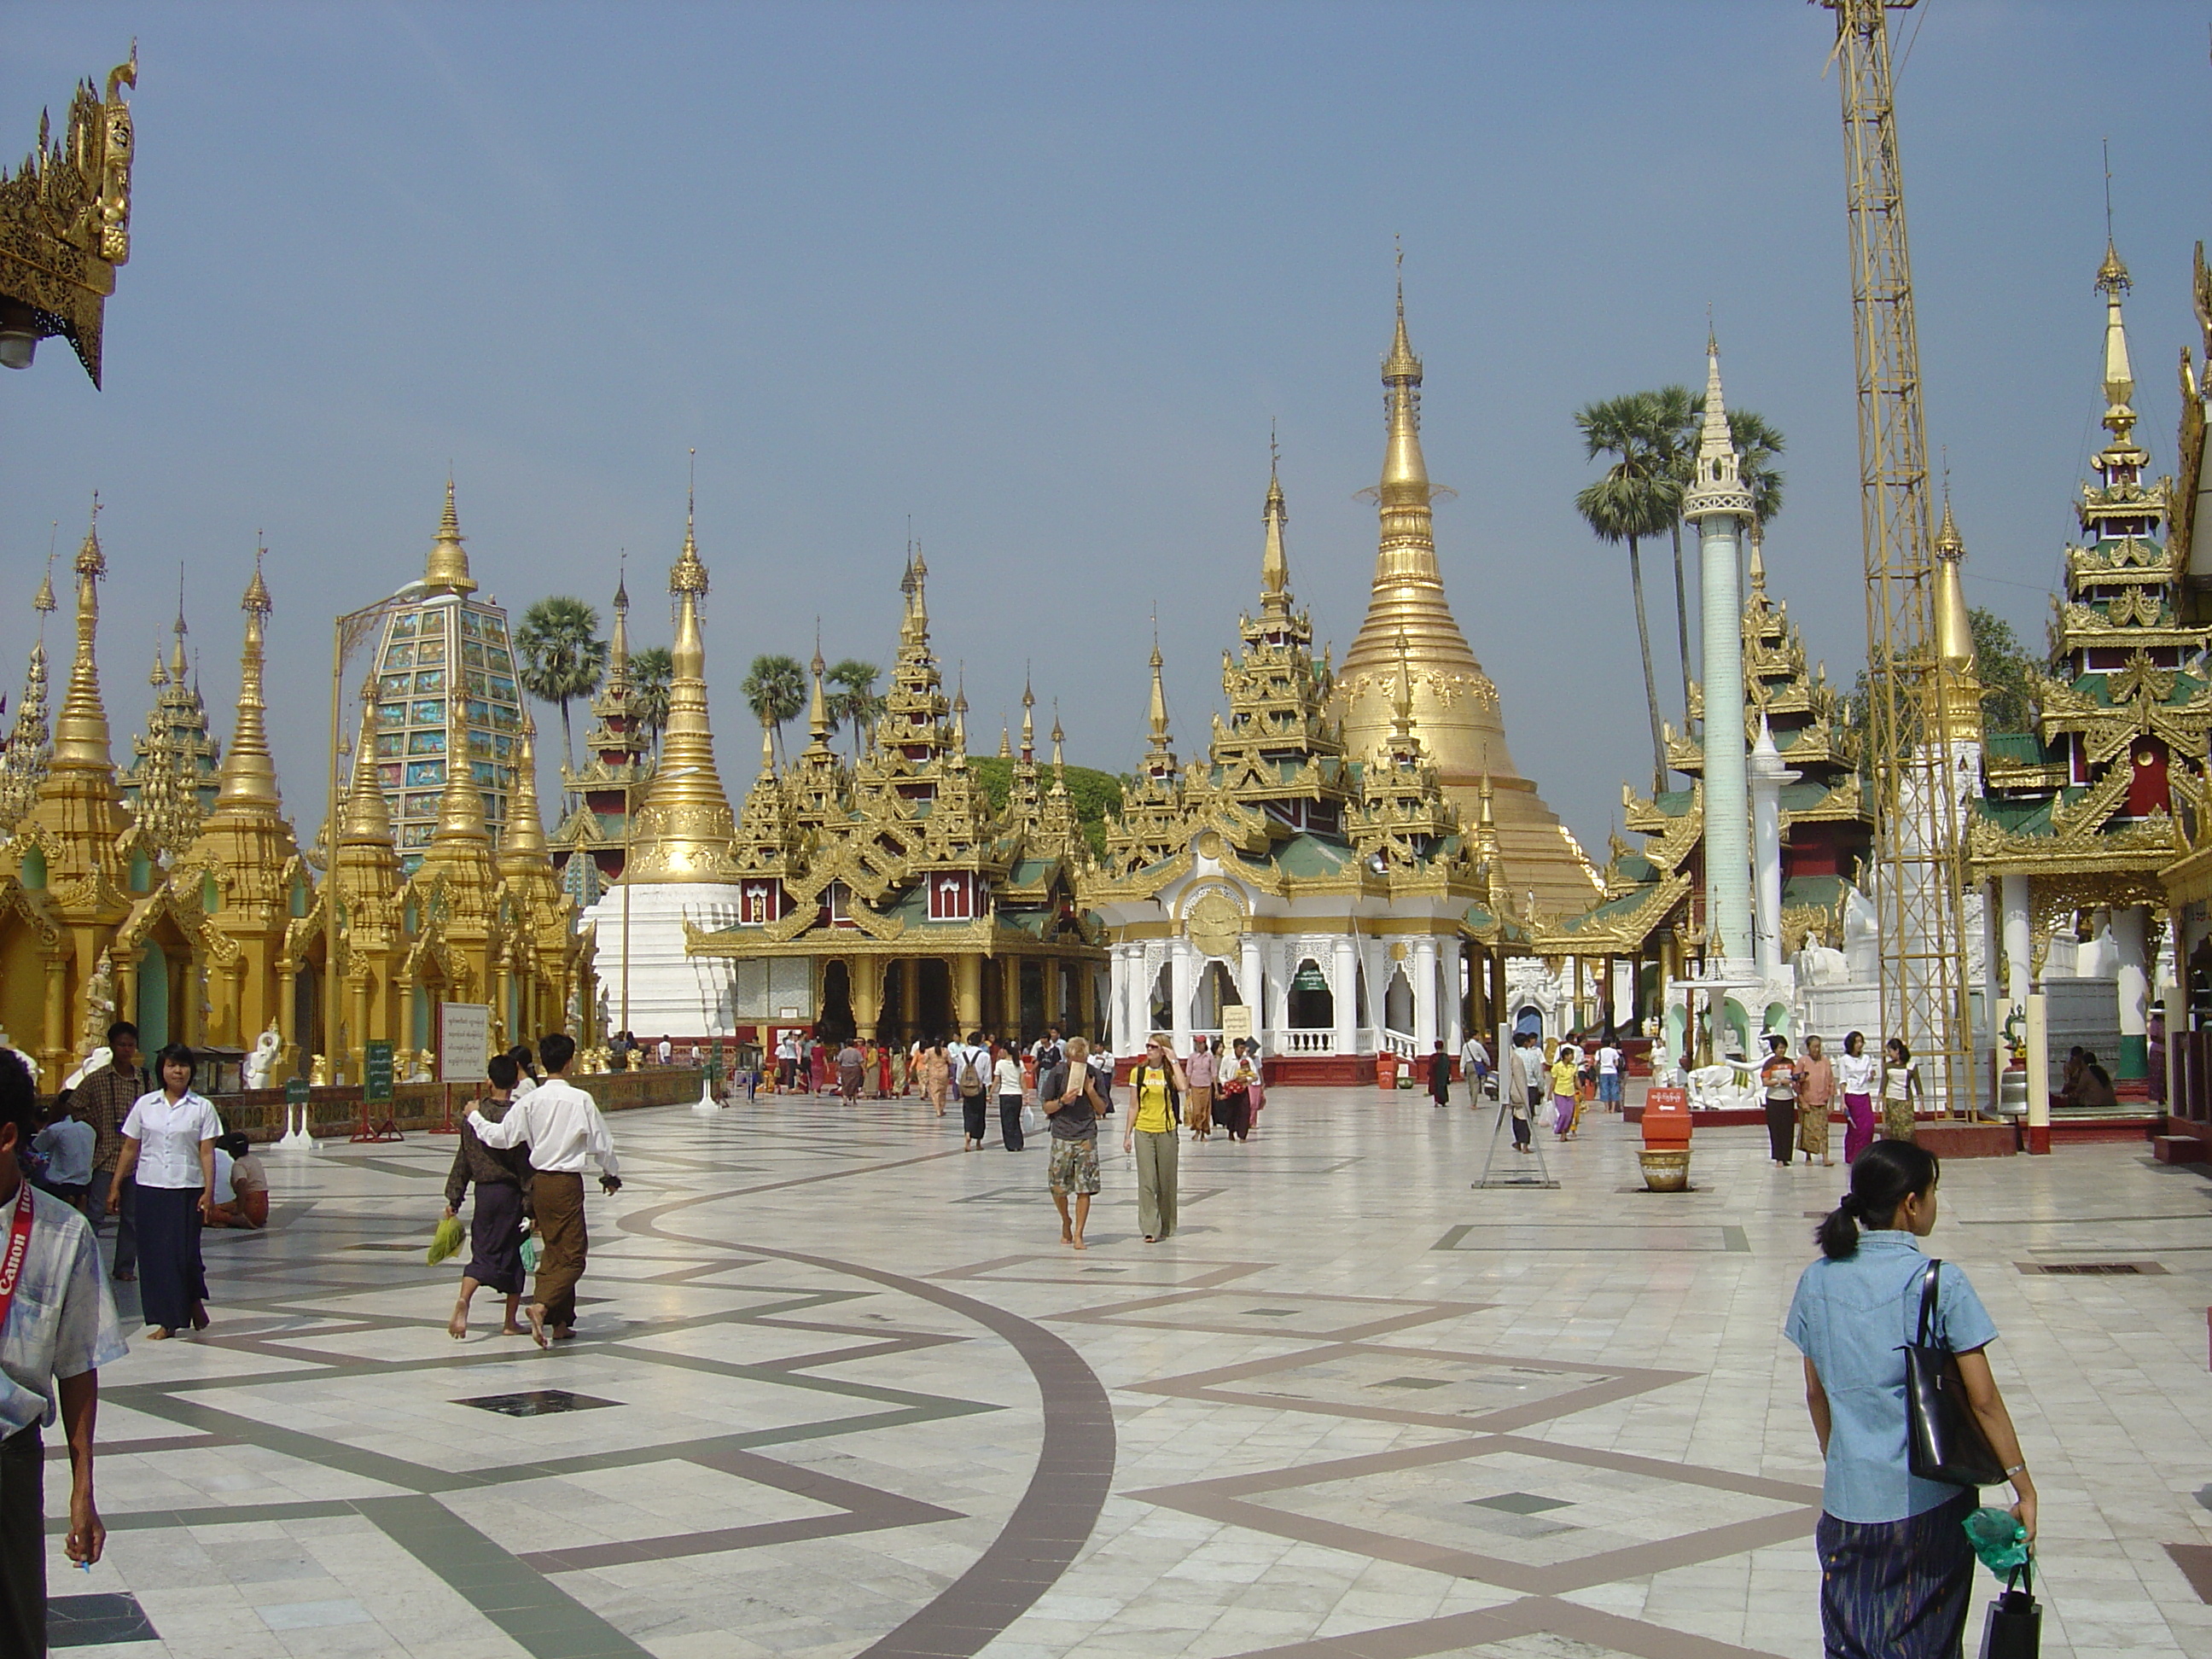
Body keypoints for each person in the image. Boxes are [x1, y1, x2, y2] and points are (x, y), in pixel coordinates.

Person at [1787, 1140, 2037, 1657]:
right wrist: (2022, 1486)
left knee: (1850, 1641)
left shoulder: (1816, 1281)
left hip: (1846, 1504)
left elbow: (1816, 1392)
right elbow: (1983, 1399)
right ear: (1912, 1203)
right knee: (1925, 1641)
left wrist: (1847, 1461)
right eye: (1933, 1190)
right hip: (1928, 1506)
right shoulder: (1939, 1283)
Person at [0, 1046, 126, 1657]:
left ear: (6, 1137)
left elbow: (78, 1366)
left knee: (17, 1629)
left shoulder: (60, 1233)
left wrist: (83, 1490)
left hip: (8, 1462)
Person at [465, 1034, 620, 1349]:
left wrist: (474, 1117)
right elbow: (603, 1144)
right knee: (574, 1256)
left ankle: (561, 1323)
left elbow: (501, 1137)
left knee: (554, 1250)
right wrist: (611, 1174)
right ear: (569, 1062)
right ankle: (541, 1306)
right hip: (565, 1184)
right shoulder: (579, 1100)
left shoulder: (530, 1101)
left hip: (539, 1184)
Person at [109, 1045, 219, 1341]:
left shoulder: (202, 1108)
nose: (178, 1071)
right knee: (156, 1256)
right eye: (172, 1065)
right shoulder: (145, 1105)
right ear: (162, 1070)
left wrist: (209, 1191)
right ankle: (167, 1320)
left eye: (183, 1066)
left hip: (186, 1187)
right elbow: (130, 1147)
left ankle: (193, 1300)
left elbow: (207, 1152)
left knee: (184, 1255)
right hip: (151, 1186)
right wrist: (115, 1184)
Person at [443, 1054, 532, 1339]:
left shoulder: (473, 1115)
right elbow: (525, 1165)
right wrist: (531, 1207)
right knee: (514, 1254)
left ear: (488, 1081)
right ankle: (509, 1321)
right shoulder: (517, 1115)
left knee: (483, 1250)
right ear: (516, 1081)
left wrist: (454, 1198)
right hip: (510, 1194)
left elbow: (463, 1159)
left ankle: (464, 1299)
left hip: (484, 1193)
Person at [77, 1022, 148, 1284]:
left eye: (130, 1045)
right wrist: (93, 1122)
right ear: (112, 1046)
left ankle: (125, 1266)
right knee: (96, 1212)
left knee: (131, 1217)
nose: (126, 1050)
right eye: (121, 1044)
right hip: (107, 1153)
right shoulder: (97, 1079)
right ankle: (86, 1264)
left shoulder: (144, 1079)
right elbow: (73, 1104)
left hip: (136, 1158)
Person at [1042, 1036, 1105, 1250]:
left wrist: (1090, 1090)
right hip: (1062, 1134)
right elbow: (1046, 1107)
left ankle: (1079, 1233)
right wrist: (1062, 1101)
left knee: (1084, 1187)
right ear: (1067, 1057)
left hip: (1086, 1135)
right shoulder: (1057, 1074)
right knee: (1058, 1187)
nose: (1078, 1063)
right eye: (1075, 1059)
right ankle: (1066, 1220)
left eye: (1083, 1059)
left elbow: (1102, 1108)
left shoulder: (1094, 1074)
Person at [1124, 1034, 1186, 1243]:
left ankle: (1167, 1225)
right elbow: (1133, 1105)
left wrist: (1174, 1059)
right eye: (1147, 1046)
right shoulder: (1138, 1072)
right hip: (1144, 1130)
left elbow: (1183, 1087)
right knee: (1147, 1181)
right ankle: (1150, 1227)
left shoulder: (1168, 1072)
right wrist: (1127, 1134)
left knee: (1167, 1181)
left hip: (1167, 1130)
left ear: (1163, 1050)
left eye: (1154, 1047)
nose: (1149, 1050)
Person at [33, 1094, 95, 1214]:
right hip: (85, 1181)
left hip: (60, 1180)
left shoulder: (56, 1129)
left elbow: (38, 1146)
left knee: (37, 1175)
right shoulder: (90, 1128)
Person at [205, 1132, 269, 1231]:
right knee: (222, 1207)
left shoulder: (239, 1164)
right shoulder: (254, 1159)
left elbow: (242, 1183)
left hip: (250, 1209)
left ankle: (236, 1220)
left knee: (209, 1213)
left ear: (230, 1150)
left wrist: (239, 1210)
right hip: (263, 1210)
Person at [1837, 1031, 1878, 1164]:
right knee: (1856, 1127)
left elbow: (1868, 1078)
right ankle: (1852, 1156)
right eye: (1857, 1042)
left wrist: (1871, 1076)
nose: (1859, 1045)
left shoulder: (1866, 1058)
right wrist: (1843, 1101)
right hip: (1851, 1094)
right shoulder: (1844, 1060)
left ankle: (1865, 1154)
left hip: (1864, 1094)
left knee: (1868, 1126)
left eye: (1861, 1042)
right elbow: (1843, 1080)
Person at [1796, 1035, 1836, 1168]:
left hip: (1822, 1100)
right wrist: (1802, 1101)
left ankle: (1825, 1156)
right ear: (1808, 1048)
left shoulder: (1825, 1061)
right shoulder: (1803, 1061)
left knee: (1823, 1129)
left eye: (1819, 1046)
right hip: (1808, 1100)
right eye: (1814, 1047)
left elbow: (1830, 1081)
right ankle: (1809, 1156)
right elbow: (1796, 1084)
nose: (1817, 1049)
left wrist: (1831, 1102)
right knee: (1809, 1130)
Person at [1761, 1034, 1799, 1166]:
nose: (1782, 1051)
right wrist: (1779, 1082)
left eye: (1784, 1048)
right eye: (1780, 1048)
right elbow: (1765, 1082)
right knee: (1776, 1128)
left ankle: (1786, 1156)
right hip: (1774, 1098)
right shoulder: (1769, 1063)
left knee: (1788, 1128)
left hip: (1788, 1098)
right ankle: (1778, 1157)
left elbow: (1794, 1078)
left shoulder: (1789, 1063)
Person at [953, 1032, 993, 1148]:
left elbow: (959, 1075)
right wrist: (988, 1092)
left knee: (968, 1112)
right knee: (980, 1113)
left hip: (966, 1088)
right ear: (981, 1041)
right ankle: (978, 1141)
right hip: (979, 1088)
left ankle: (967, 1133)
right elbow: (987, 1077)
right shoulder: (984, 1056)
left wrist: (960, 1087)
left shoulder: (962, 1055)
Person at [1215, 1039, 1254, 1141]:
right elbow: (1222, 1074)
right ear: (1235, 1048)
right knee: (1231, 1111)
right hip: (1231, 1089)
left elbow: (1255, 1075)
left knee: (1244, 1111)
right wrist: (1227, 1085)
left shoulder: (1248, 1060)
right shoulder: (1227, 1059)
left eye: (1243, 1048)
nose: (1242, 1051)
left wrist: (1246, 1079)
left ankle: (1242, 1135)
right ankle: (1231, 1131)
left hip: (1243, 1088)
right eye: (1240, 1048)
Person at [1881, 1039, 1919, 1141]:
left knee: (1907, 1127)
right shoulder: (1888, 1066)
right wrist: (1880, 1101)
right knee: (1894, 1126)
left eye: (1890, 1051)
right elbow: (1884, 1084)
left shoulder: (1911, 1066)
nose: (1889, 1054)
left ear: (1897, 1050)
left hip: (1906, 1099)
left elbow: (1917, 1084)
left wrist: (1921, 1102)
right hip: (1892, 1099)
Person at [1505, 1033, 1538, 1153]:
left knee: (1516, 1116)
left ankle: (1519, 1140)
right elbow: (1537, 1072)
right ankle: (1525, 1143)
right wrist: (1541, 1087)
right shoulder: (1532, 1055)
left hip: (1515, 1089)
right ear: (1526, 1042)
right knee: (1527, 1115)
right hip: (1529, 1087)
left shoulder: (1511, 1056)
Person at [993, 1043, 1026, 1151]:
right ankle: (1018, 1143)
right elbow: (1022, 1081)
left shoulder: (1000, 1064)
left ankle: (1010, 1144)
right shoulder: (1019, 1063)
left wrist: (990, 1093)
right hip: (1017, 1095)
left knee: (1007, 1120)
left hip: (1005, 1094)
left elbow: (997, 1080)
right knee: (1015, 1119)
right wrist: (1026, 1095)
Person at [1183, 1038, 1216, 1140]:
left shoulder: (1209, 1057)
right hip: (1195, 1085)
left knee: (1205, 1110)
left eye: (1200, 1043)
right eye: (1197, 1044)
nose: (1199, 1046)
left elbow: (1214, 1073)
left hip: (1206, 1085)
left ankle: (1203, 1133)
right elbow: (1188, 1072)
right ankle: (1197, 1129)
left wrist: (1216, 1089)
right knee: (1197, 1110)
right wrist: (1187, 1087)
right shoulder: (1192, 1057)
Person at [1549, 1040, 1580, 1138]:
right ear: (1565, 1056)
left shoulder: (1573, 1067)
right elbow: (1553, 1080)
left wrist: (1581, 1091)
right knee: (1563, 1113)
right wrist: (1550, 1093)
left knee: (1570, 1114)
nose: (1572, 1057)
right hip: (1559, 1092)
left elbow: (1576, 1080)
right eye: (1570, 1055)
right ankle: (1559, 1129)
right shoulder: (1557, 1067)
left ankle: (1564, 1133)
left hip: (1570, 1092)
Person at [1461, 1032, 1493, 1107]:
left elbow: (1463, 1057)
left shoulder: (1465, 1046)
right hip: (1476, 1065)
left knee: (1470, 1084)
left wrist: (1461, 1069)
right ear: (1474, 1036)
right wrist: (1488, 1063)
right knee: (1476, 1084)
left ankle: (1472, 1099)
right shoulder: (1478, 1045)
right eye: (1478, 1035)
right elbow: (1484, 1055)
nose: (1479, 1037)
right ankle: (1473, 1104)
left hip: (1468, 1065)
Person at [1594, 1036, 1624, 1112]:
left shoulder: (1599, 1051)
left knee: (1604, 1089)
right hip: (1613, 1071)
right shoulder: (1613, 1051)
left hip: (1603, 1072)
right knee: (1614, 1089)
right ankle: (1613, 1108)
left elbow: (1595, 1063)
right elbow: (1617, 1063)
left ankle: (1607, 1108)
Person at [836, 1039, 866, 1103]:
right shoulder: (857, 1052)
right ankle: (854, 1100)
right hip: (855, 1069)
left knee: (845, 1084)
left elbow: (839, 1061)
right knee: (854, 1084)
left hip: (845, 1069)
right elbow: (861, 1062)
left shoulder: (843, 1052)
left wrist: (838, 1070)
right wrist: (864, 1070)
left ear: (846, 1044)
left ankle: (845, 1100)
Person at [1428, 1040, 1452, 1108]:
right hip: (1443, 1075)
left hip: (1435, 1075)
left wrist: (1429, 1074)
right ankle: (1443, 1101)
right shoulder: (1445, 1056)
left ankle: (1436, 1101)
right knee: (1443, 1088)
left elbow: (1430, 1067)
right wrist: (1449, 1074)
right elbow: (1448, 1066)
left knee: (1436, 1088)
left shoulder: (1433, 1057)